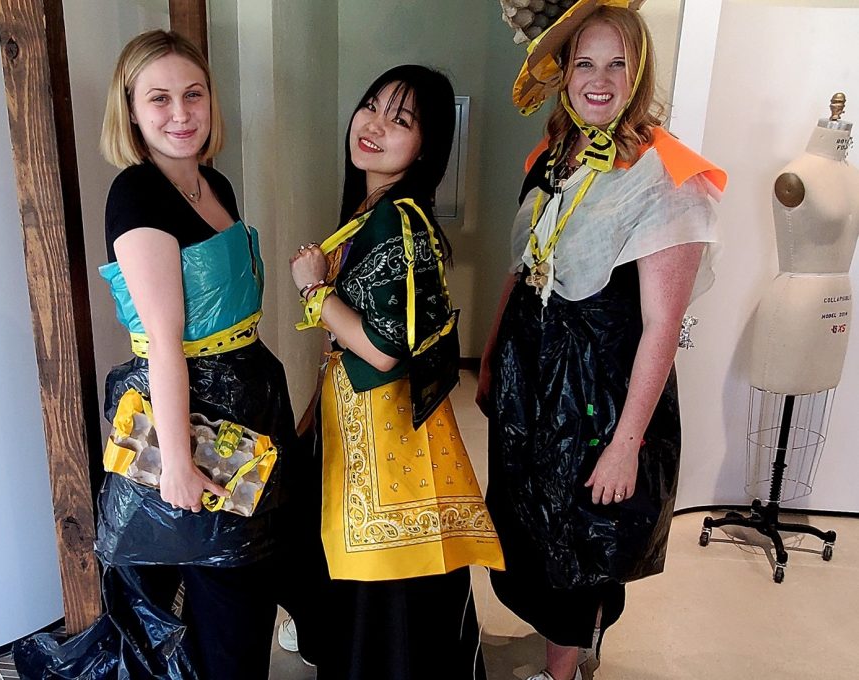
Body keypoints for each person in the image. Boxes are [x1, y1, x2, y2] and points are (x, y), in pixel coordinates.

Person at [15, 30, 295, 680]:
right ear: (132, 111)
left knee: (243, 594)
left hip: (245, 405)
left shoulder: (212, 180)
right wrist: (175, 465)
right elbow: (166, 345)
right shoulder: (136, 195)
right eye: (159, 98)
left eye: (193, 94)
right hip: (189, 418)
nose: (180, 113)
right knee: (222, 603)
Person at [477, 6, 727, 680]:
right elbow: (522, 267)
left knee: (578, 539)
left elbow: (662, 327)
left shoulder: (667, 175)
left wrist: (626, 445)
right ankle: (565, 646)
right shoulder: (550, 158)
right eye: (585, 62)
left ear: (639, 72)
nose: (599, 78)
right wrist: (494, 358)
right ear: (565, 73)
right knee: (527, 523)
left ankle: (562, 672)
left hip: (599, 396)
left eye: (618, 63)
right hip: (531, 378)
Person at [287, 64, 505, 680]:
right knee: (388, 581)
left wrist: (313, 293)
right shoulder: (375, 210)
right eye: (373, 106)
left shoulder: (399, 219)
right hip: (377, 422)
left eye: (400, 120)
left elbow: (383, 348)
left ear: (426, 146)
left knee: (387, 580)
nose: (375, 125)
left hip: (385, 432)